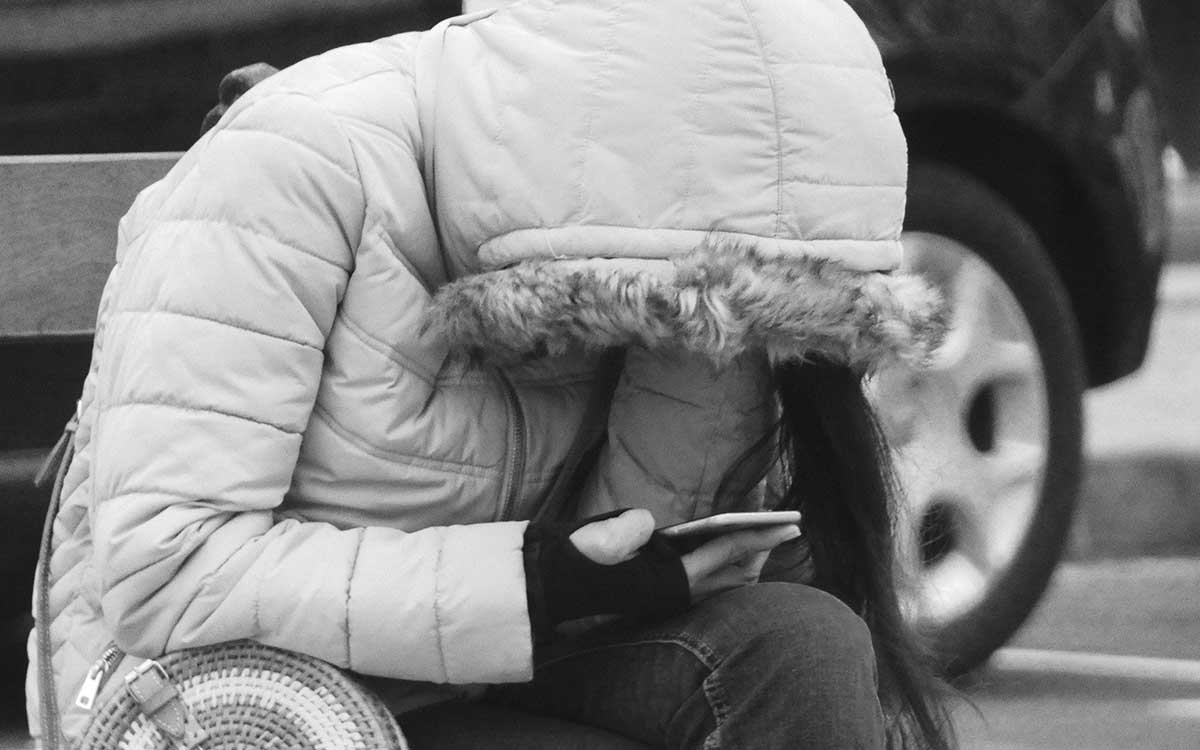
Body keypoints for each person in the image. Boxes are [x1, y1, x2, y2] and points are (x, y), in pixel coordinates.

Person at [29, 0, 954, 748]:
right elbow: (167, 571)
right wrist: (535, 585)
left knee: (803, 644)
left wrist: (660, 539)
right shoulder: (292, 165)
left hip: (493, 658)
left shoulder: (679, 246)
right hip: (243, 697)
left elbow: (628, 540)